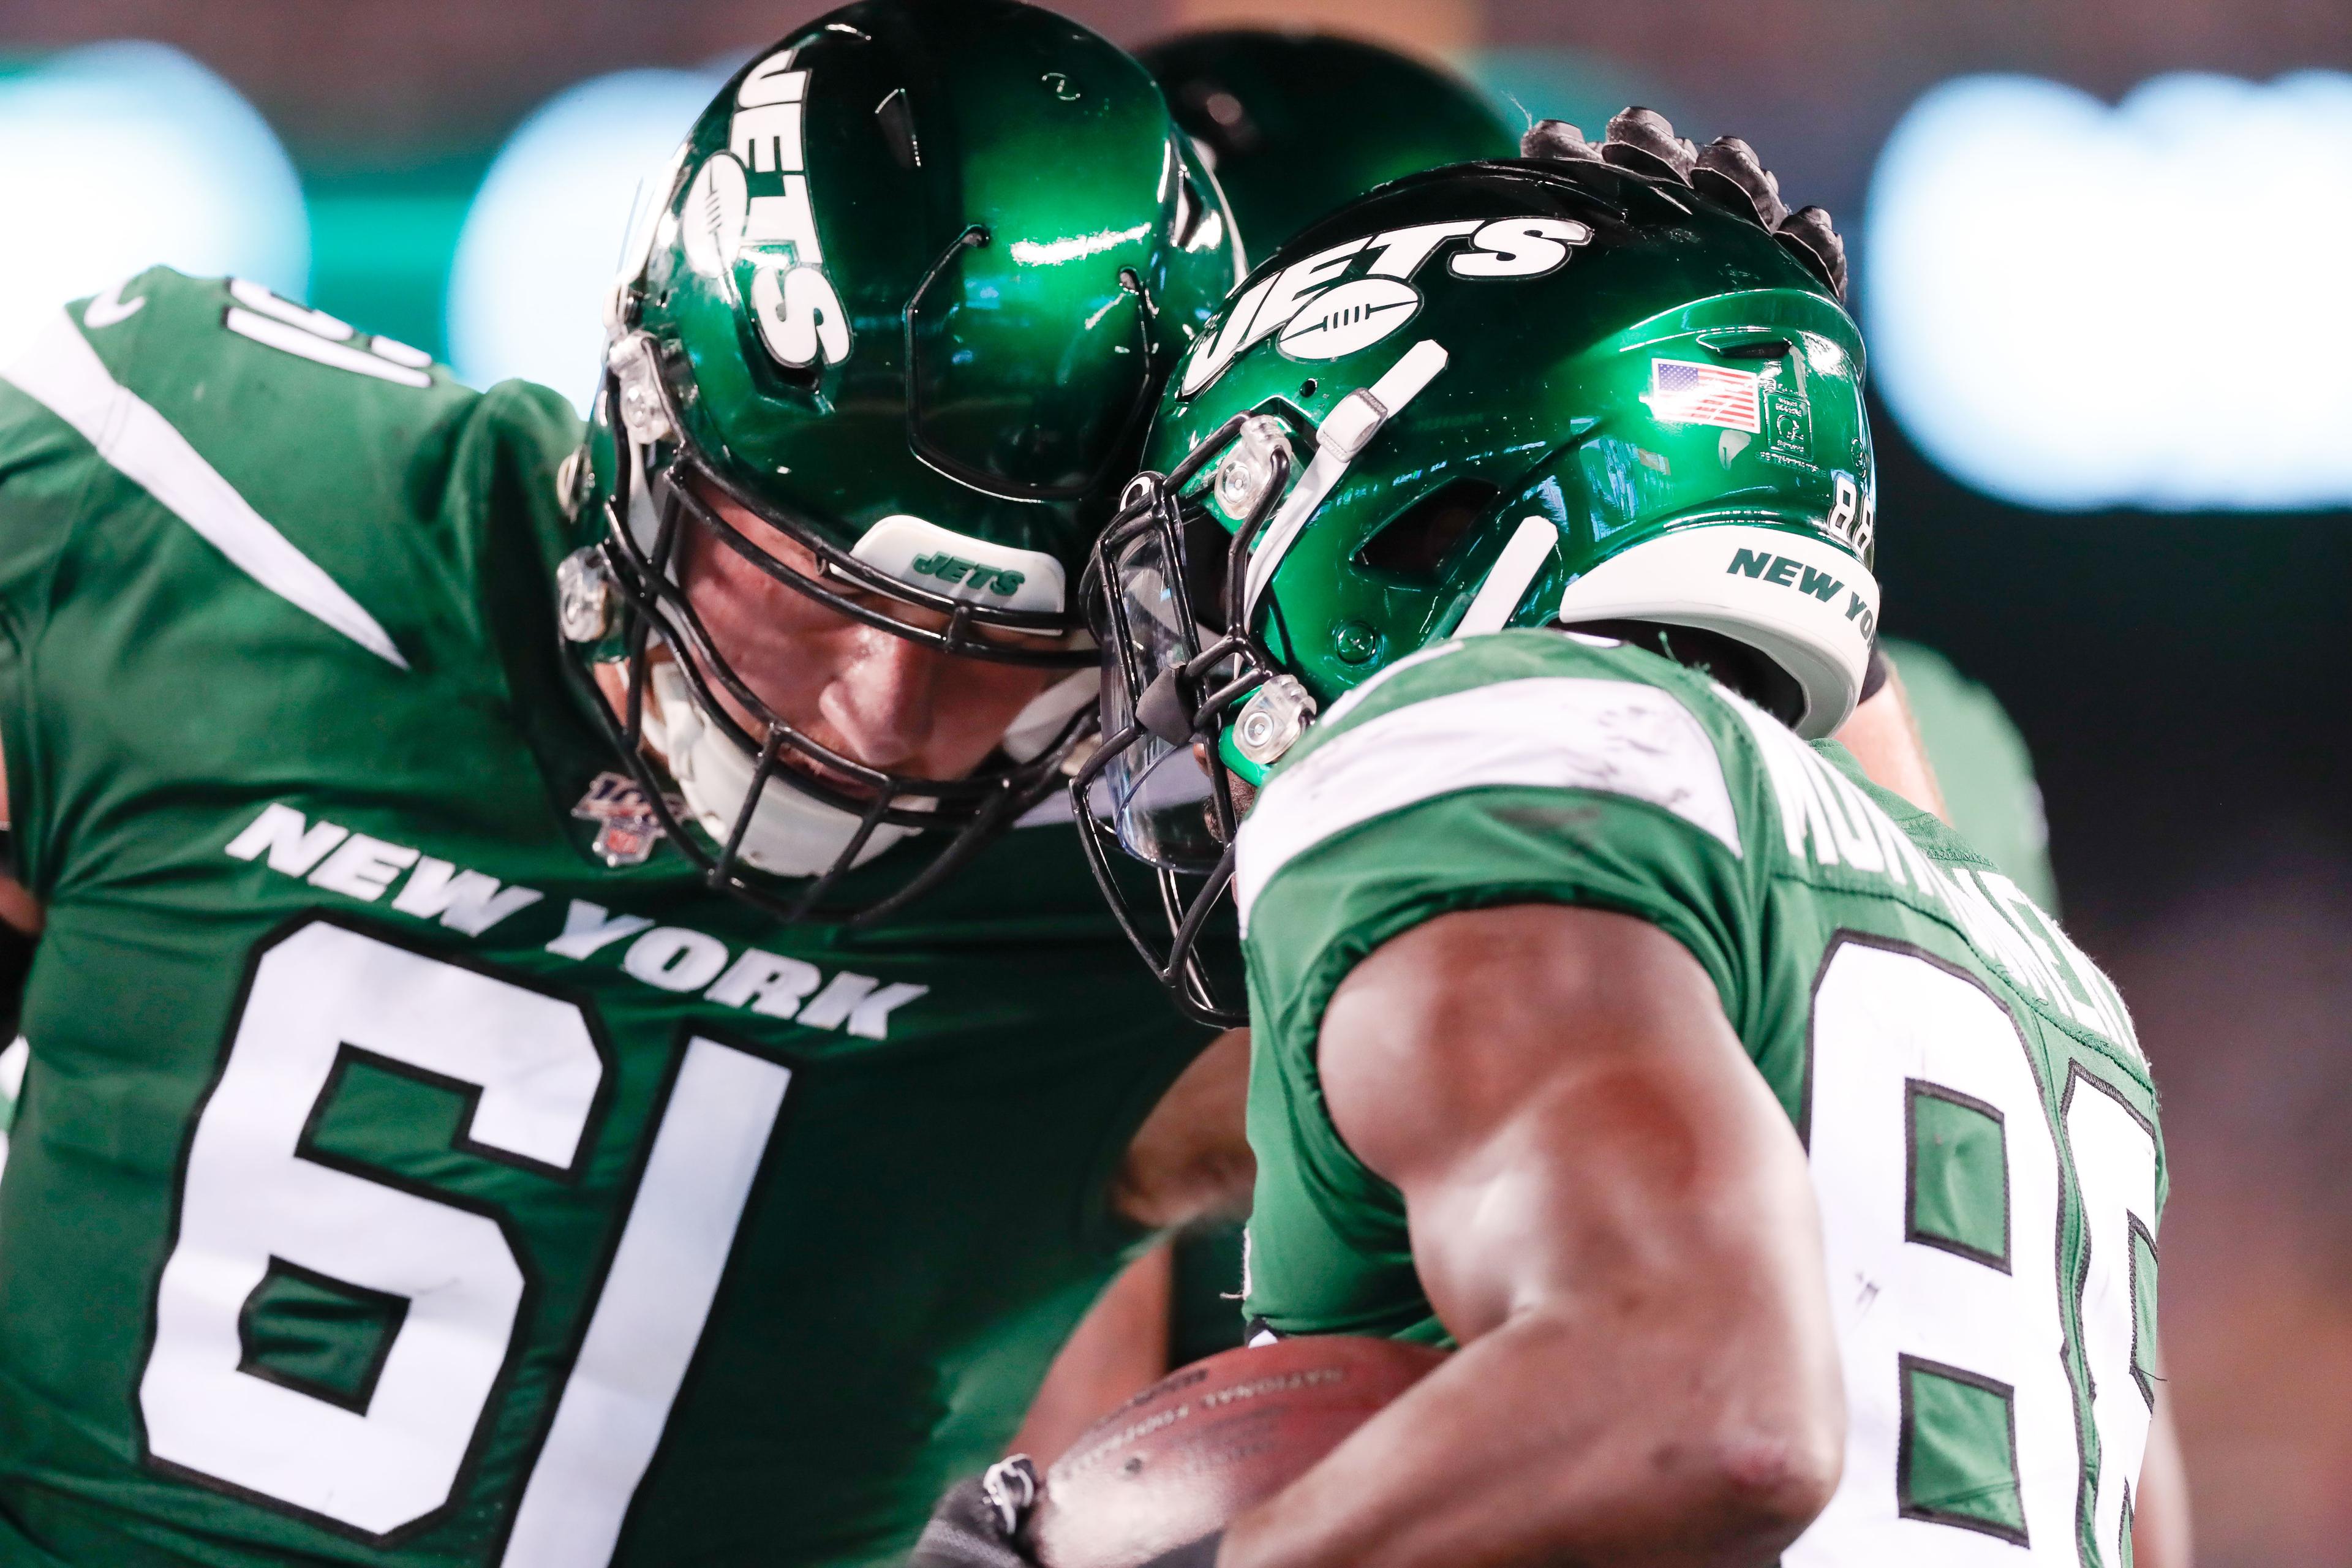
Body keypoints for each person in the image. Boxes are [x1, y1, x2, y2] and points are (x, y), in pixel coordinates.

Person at [0, 3, 1259, 1564]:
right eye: (816, 585)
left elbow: (1588, 1314)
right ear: (649, 419)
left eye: (1003, 640)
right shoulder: (188, 508)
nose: (880, 712)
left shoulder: (1176, 864)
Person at [928, 113, 2165, 1567]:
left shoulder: (1469, 743)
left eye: (1218, 542)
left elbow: (1702, 1398)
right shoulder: (2043, 978)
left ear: (1406, 513)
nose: (1190, 658)